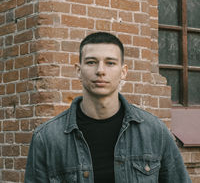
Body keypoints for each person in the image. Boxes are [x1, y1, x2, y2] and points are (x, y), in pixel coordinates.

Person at [25, 31, 191, 183]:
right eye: (91, 62)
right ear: (78, 70)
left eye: (110, 63)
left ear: (123, 71)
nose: (100, 71)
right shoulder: (46, 138)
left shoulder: (154, 131)